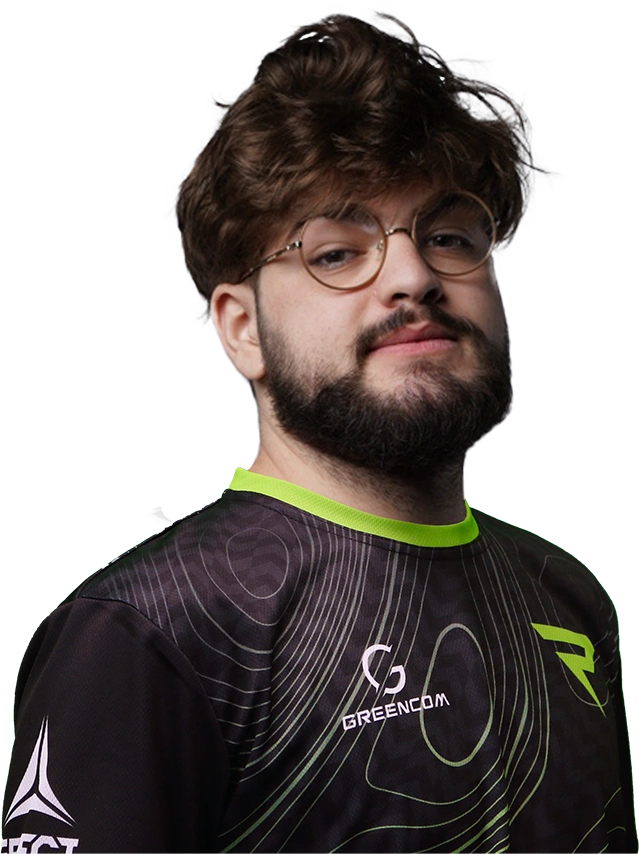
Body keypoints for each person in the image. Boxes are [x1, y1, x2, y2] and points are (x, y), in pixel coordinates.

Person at [2, 12, 635, 853]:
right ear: (243, 330)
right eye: (336, 252)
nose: (412, 275)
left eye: (448, 237)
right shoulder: (150, 633)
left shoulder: (566, 595)